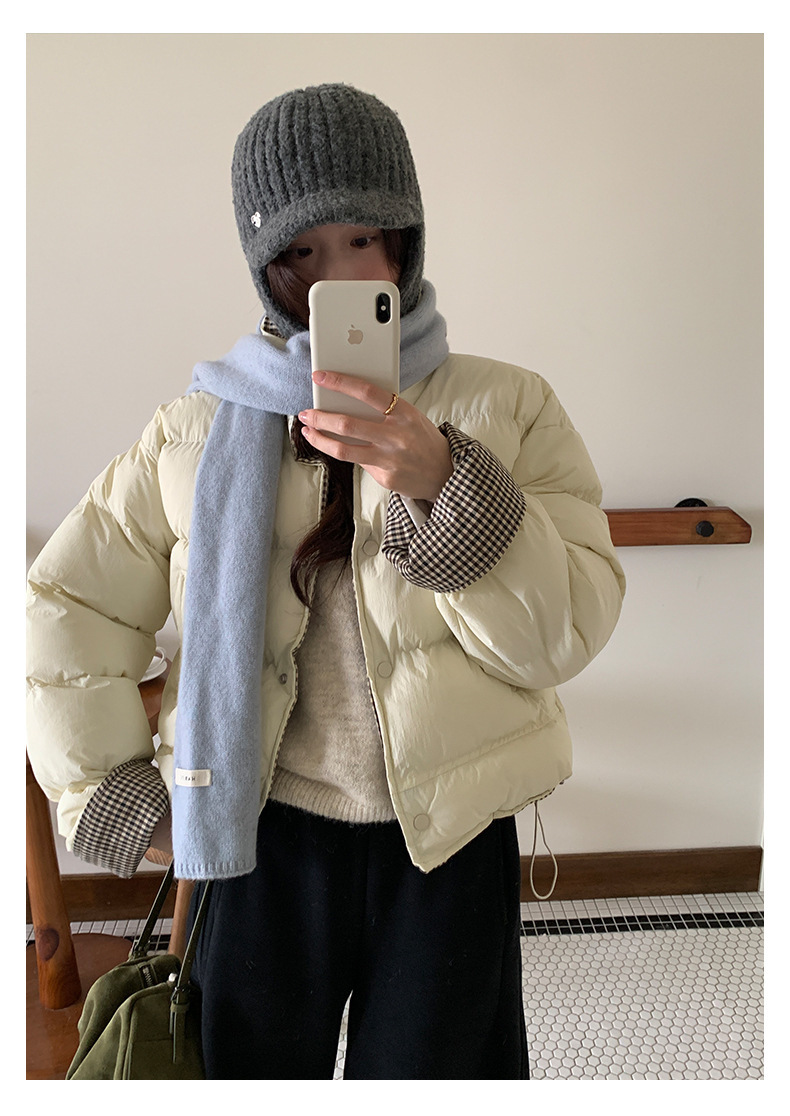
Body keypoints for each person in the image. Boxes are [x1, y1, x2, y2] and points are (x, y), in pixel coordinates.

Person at [26, 83, 626, 1080]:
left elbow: (563, 634)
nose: (337, 276)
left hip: (449, 838)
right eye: (303, 252)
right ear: (264, 265)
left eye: (362, 240)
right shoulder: (196, 428)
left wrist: (447, 483)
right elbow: (64, 609)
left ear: (406, 240)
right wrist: (115, 792)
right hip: (255, 835)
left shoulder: (509, 406)